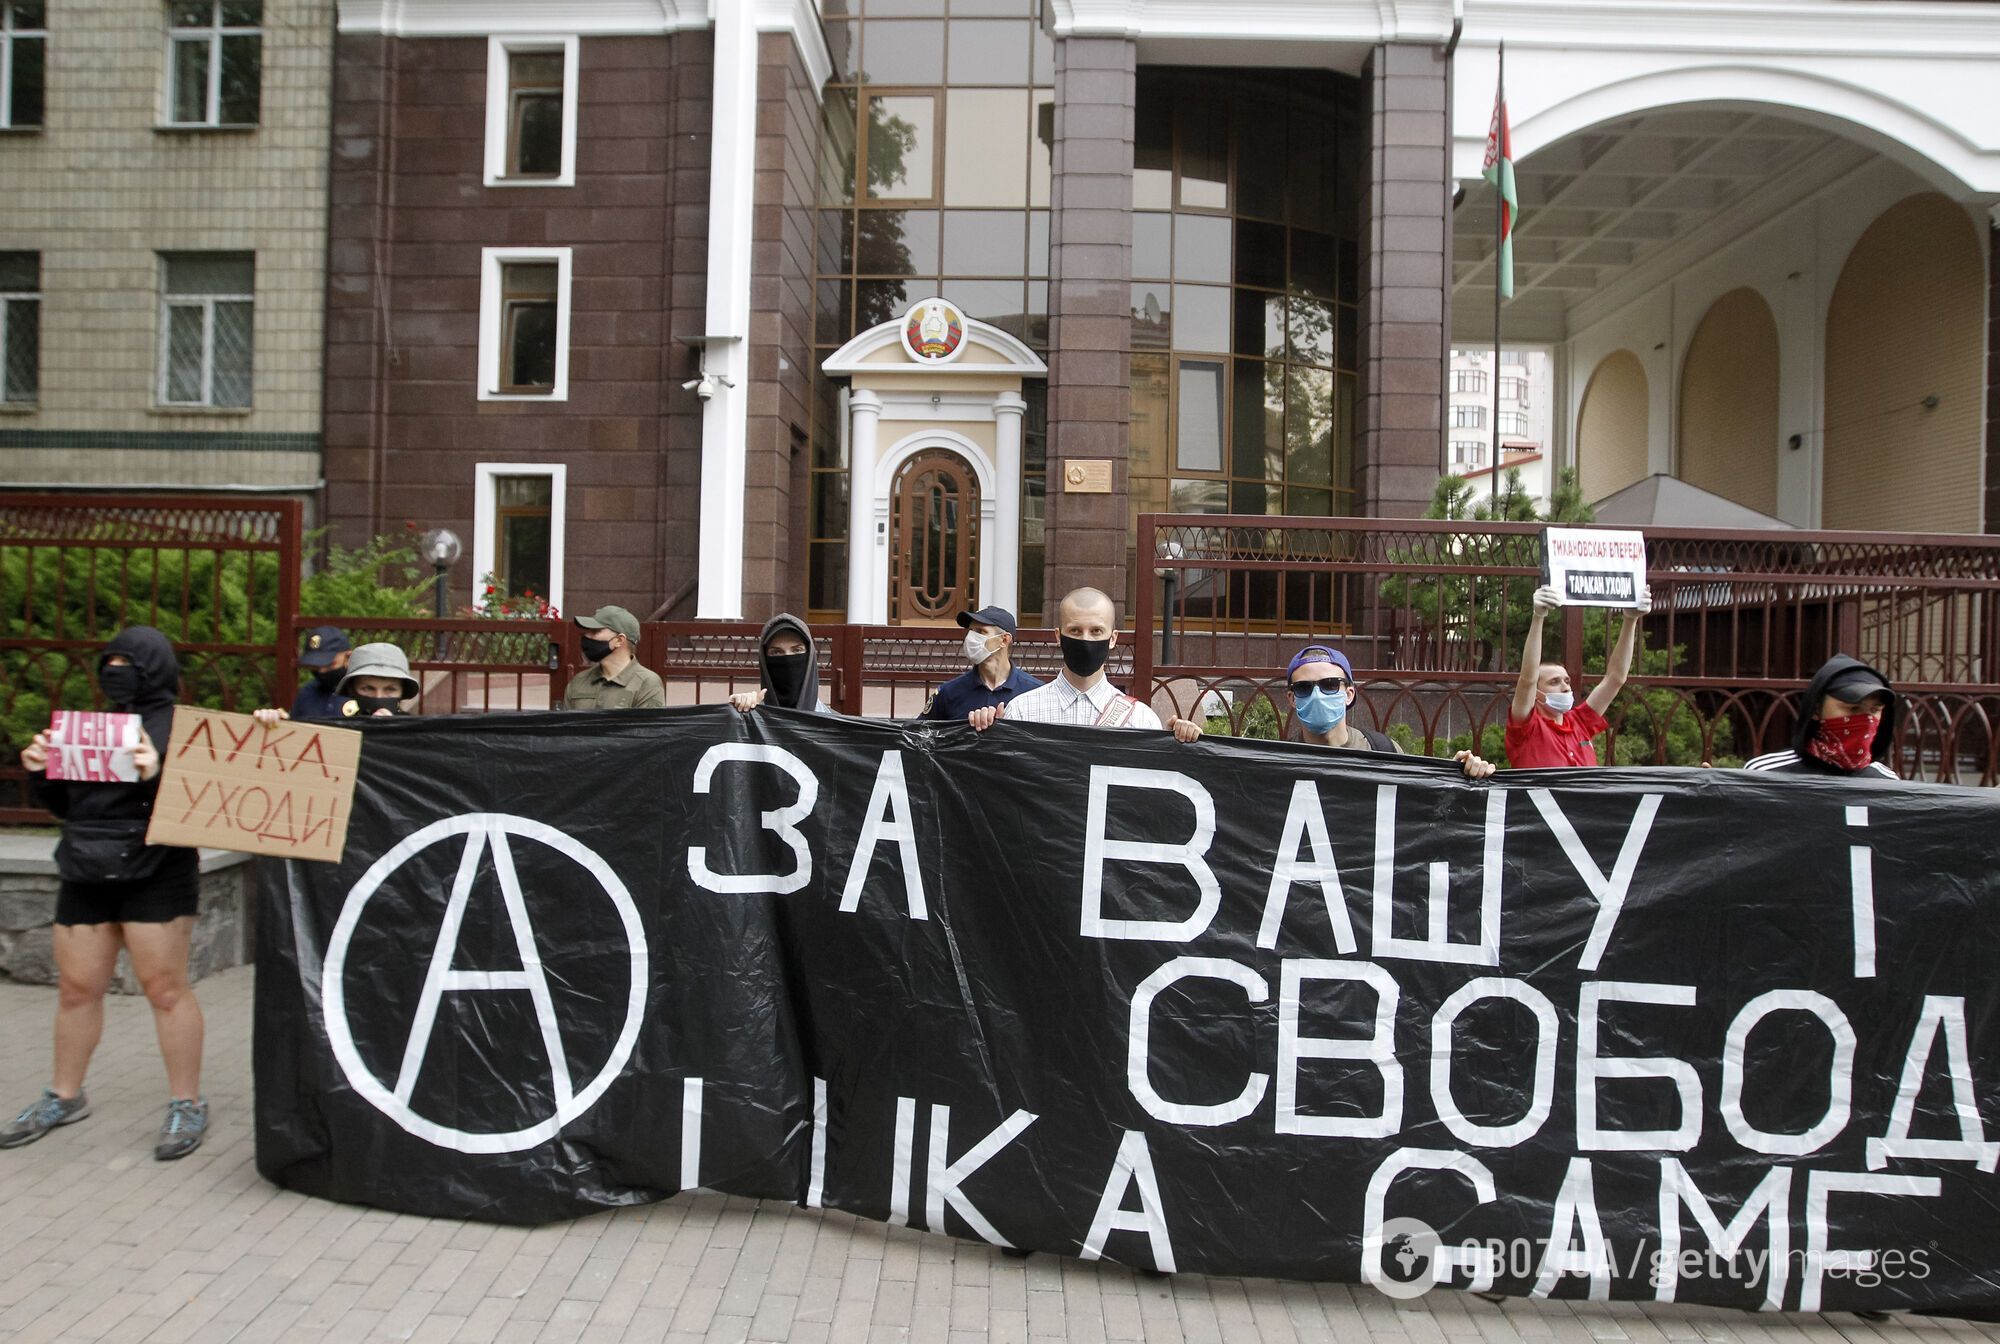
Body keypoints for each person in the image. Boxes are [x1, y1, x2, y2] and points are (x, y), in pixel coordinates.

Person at [2, 627, 209, 1160]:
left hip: (158, 871)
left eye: (129, 662)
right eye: (109, 660)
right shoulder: (87, 728)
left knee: (164, 989)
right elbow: (69, 807)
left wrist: (158, 773)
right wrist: (41, 771)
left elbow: (208, 803)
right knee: (76, 989)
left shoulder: (189, 729)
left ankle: (187, 1102)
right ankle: (64, 1095)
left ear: (156, 667)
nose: (116, 670)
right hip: (86, 869)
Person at [971, 587, 1201, 741]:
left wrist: (1184, 744)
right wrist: (984, 735)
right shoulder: (1022, 712)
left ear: (1113, 638)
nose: (1085, 639)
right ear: (1059, 636)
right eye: (1075, 630)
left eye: (1096, 631)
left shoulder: (1141, 720)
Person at [1285, 643, 1495, 778]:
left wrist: (1456, 775)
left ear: (1349, 693)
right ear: (1292, 699)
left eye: (1329, 684)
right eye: (1304, 687)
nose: (1317, 694)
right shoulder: (1278, 761)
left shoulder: (1383, 751)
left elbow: (1418, 804)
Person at [1505, 583, 1650, 768]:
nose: (1565, 687)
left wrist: (1630, 620)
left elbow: (1615, 679)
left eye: (1566, 680)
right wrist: (1538, 617)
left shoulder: (1580, 722)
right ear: (1536, 693)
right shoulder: (1526, 727)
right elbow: (1527, 680)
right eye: (1554, 682)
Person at [1744, 654, 1900, 778]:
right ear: (1816, 710)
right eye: (1853, 709)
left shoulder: (1885, 781)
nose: (1866, 720)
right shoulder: (1765, 774)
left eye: (1874, 711)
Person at [920, 605, 1041, 721]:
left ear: (1004, 640)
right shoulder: (949, 692)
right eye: (971, 630)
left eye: (981, 631)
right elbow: (920, 734)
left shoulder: (1034, 692)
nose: (971, 638)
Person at [562, 605, 665, 710]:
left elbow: (644, 726)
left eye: (595, 631)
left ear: (619, 640)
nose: (587, 636)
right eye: (588, 631)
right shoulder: (579, 681)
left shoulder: (646, 683)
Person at [730, 614, 836, 713]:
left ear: (810, 656)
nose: (787, 659)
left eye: (797, 650)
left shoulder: (835, 726)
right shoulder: (750, 720)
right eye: (776, 652)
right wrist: (739, 712)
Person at [288, 626, 352, 719]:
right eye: (316, 665)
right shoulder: (307, 693)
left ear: (348, 657)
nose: (322, 671)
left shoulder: (365, 692)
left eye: (329, 664)